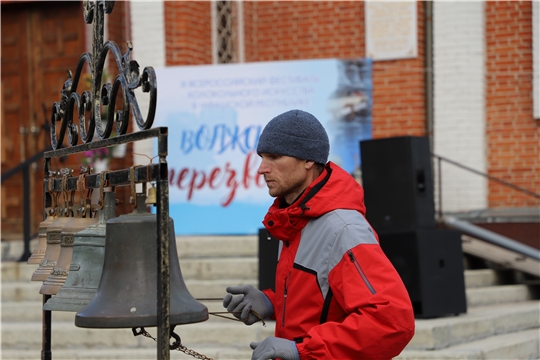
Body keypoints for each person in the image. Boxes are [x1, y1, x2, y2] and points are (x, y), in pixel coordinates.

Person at [223, 109, 415, 360]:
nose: (261, 168)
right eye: (262, 157)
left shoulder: (344, 229)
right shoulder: (292, 220)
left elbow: (392, 323)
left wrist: (301, 350)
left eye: (274, 157)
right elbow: (321, 303)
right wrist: (271, 303)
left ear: (308, 160)